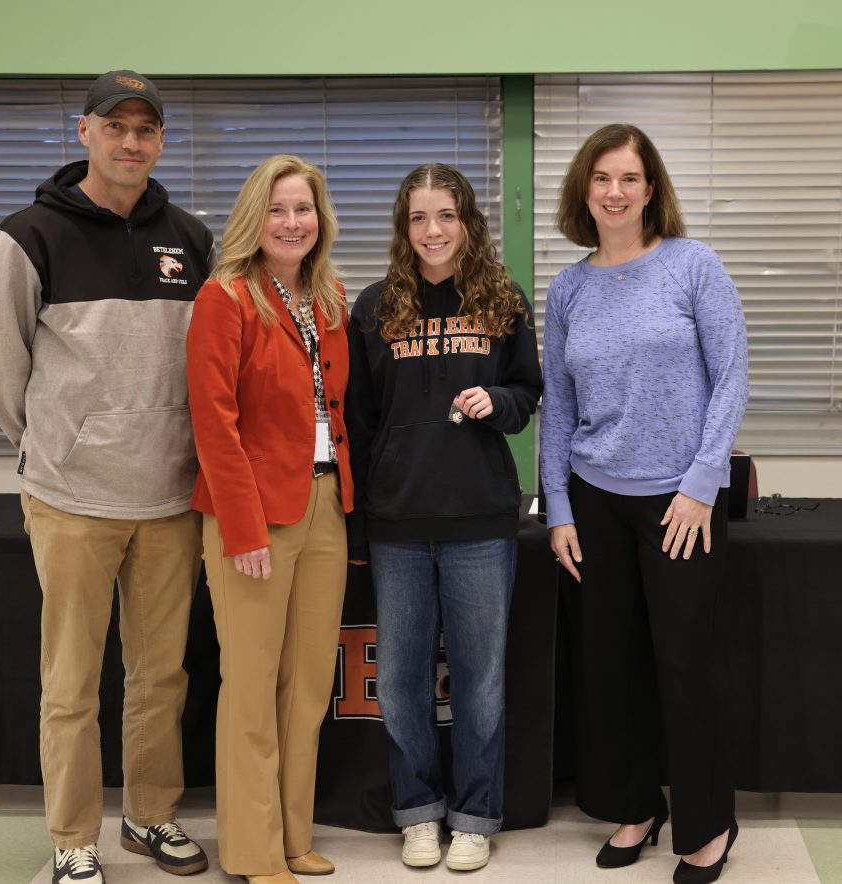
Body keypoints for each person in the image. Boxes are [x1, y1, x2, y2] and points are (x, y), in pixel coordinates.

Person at [0, 71, 214, 883]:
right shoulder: (28, 236)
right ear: (85, 133)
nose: (132, 142)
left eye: (147, 129)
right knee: (71, 682)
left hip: (169, 497)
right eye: (117, 127)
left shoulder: (190, 236)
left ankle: (149, 819)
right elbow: (0, 375)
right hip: (72, 498)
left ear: (159, 141)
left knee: (161, 676)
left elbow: (208, 367)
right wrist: (60, 446)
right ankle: (73, 836)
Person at [540, 123, 749, 884]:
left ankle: (706, 826)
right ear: (584, 191)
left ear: (650, 189)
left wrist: (700, 485)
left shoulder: (693, 266)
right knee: (610, 668)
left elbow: (731, 379)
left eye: (629, 178)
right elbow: (558, 408)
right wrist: (557, 506)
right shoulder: (569, 288)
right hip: (595, 500)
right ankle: (636, 806)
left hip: (680, 504)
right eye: (602, 178)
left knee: (686, 669)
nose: (615, 192)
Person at [345, 164, 542, 872]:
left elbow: (529, 390)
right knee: (399, 683)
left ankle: (476, 816)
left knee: (479, 679)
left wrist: (503, 403)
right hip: (397, 522)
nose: (433, 231)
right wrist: (360, 527)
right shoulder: (373, 308)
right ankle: (418, 814)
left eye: (447, 216)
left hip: (481, 522)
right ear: (404, 228)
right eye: (419, 218)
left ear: (468, 223)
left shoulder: (502, 299)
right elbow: (358, 424)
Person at [186, 155, 353, 884]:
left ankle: (292, 836)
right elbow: (213, 423)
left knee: (309, 683)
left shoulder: (329, 295)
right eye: (279, 209)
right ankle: (253, 854)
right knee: (252, 685)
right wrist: (244, 528)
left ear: (321, 221)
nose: (293, 223)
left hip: (324, 504)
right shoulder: (224, 298)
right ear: (257, 219)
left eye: (304, 209)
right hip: (250, 512)